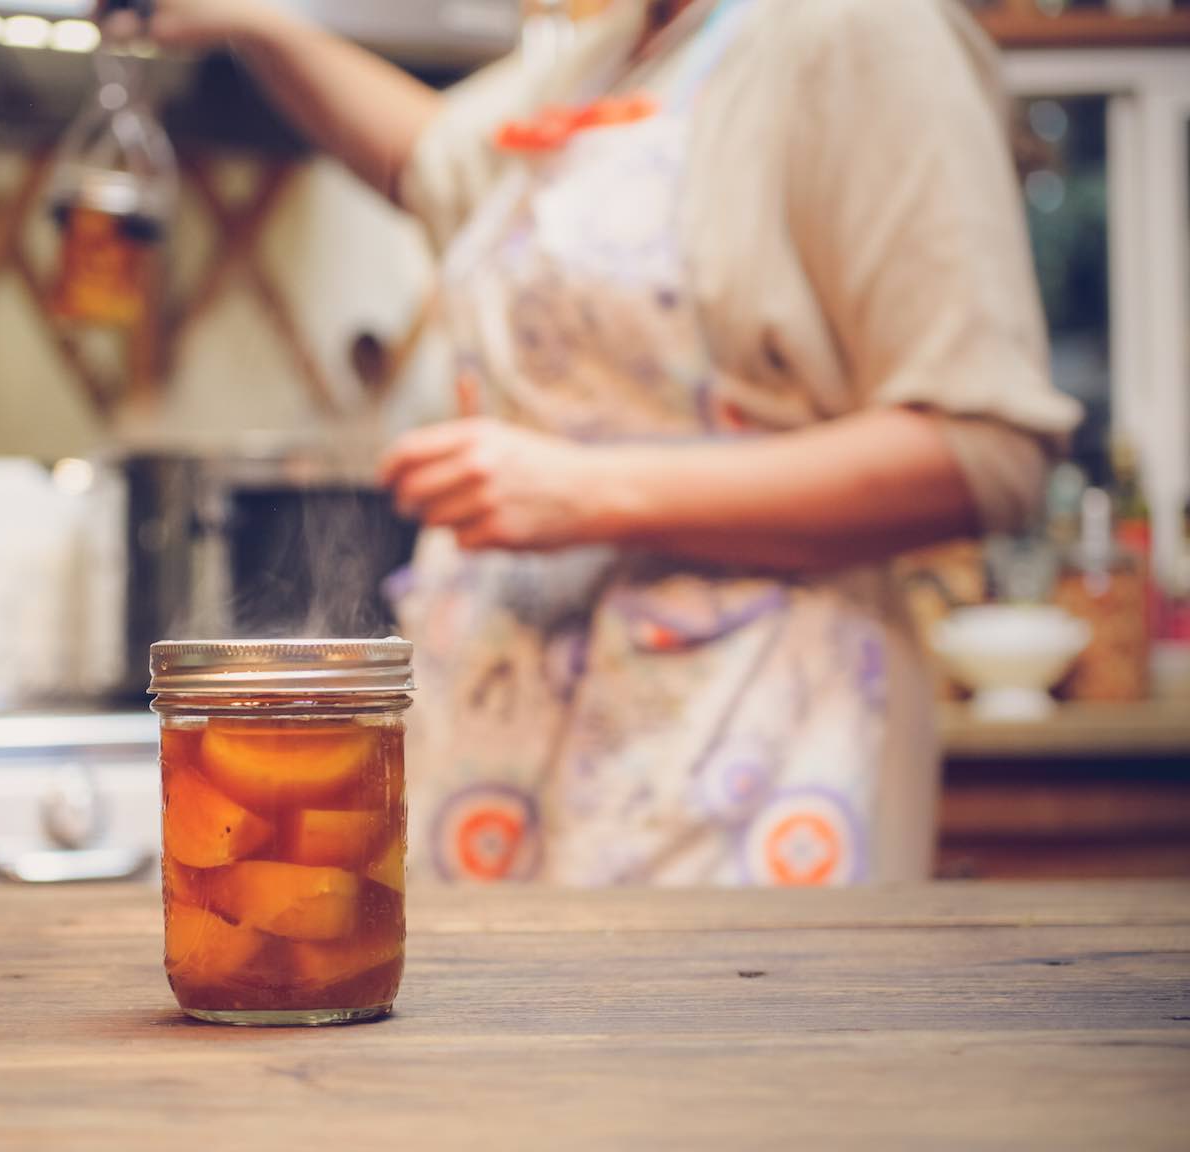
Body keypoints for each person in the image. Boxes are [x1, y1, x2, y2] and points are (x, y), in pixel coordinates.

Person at [115, 0, 1081, 885]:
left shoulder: (863, 30)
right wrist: (253, 21)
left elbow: (985, 449)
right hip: (503, 740)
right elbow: (435, 163)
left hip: (748, 737)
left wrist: (588, 492)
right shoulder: (619, 53)